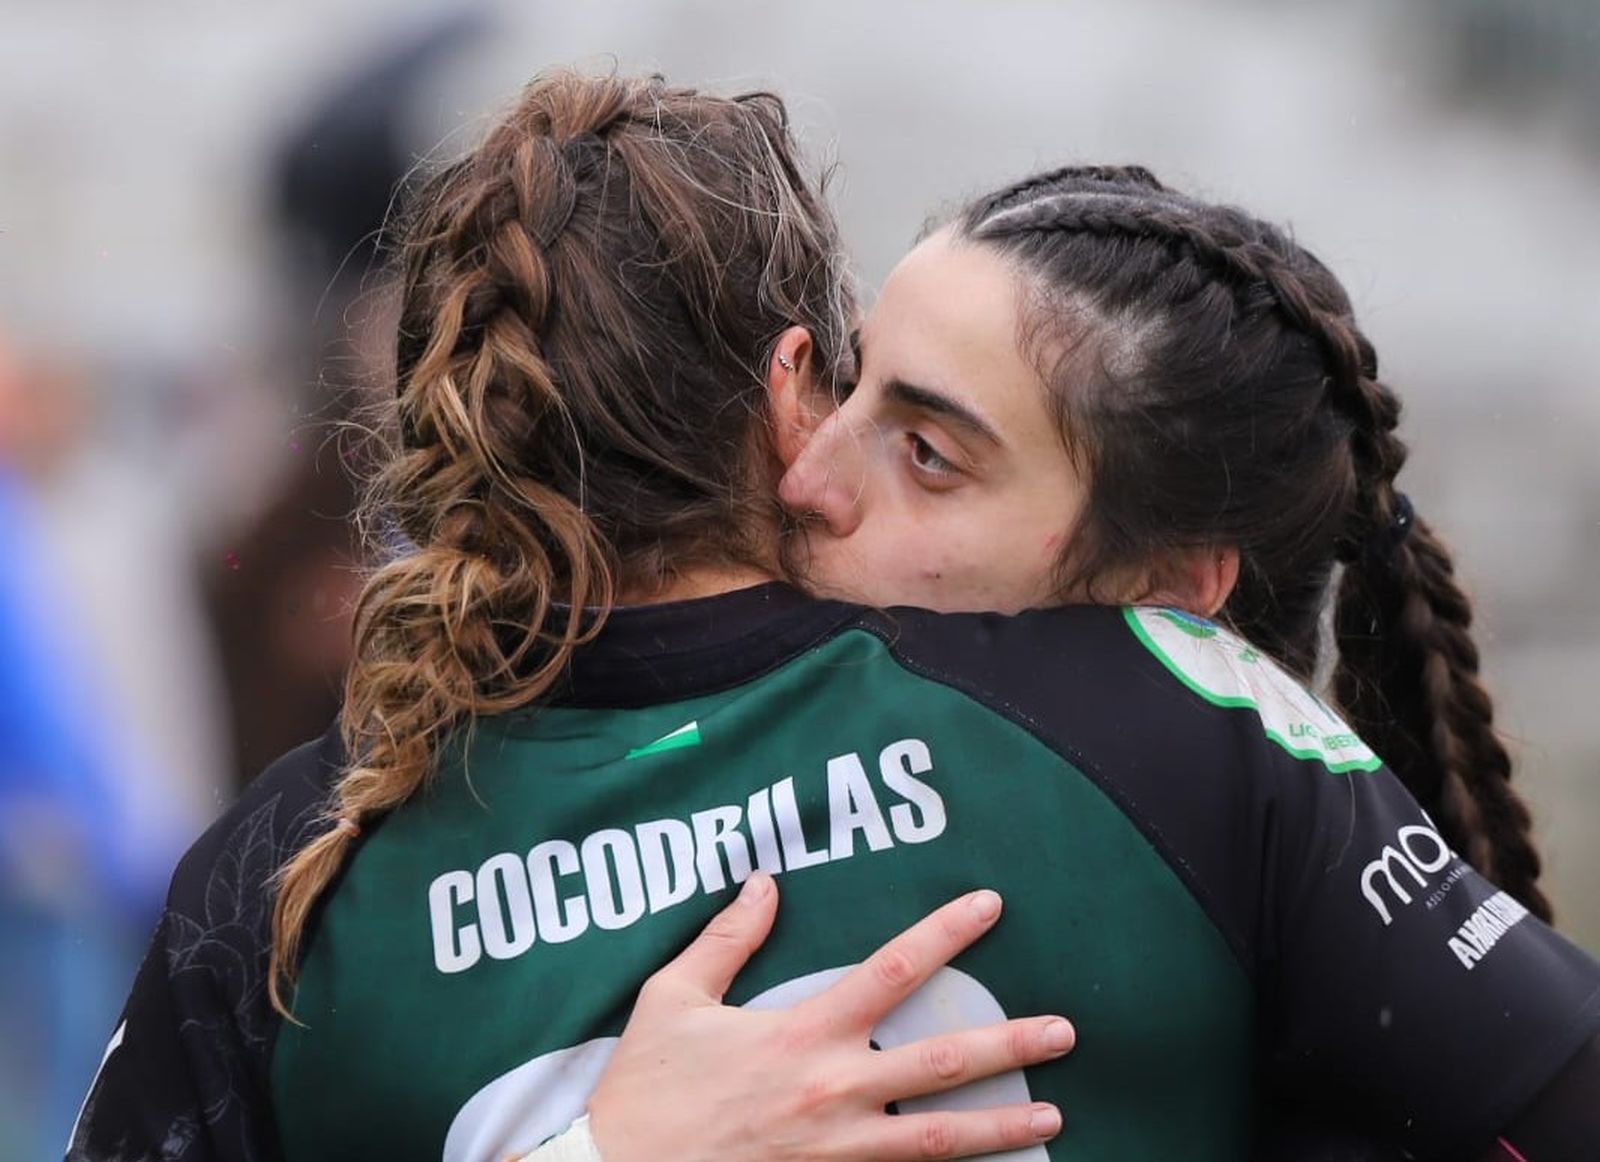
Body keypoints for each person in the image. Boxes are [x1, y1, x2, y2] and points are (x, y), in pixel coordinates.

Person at [68, 74, 1600, 1162]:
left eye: (929, 450)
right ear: (790, 380)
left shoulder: (284, 877)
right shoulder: (1173, 728)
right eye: (856, 393)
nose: (817, 477)